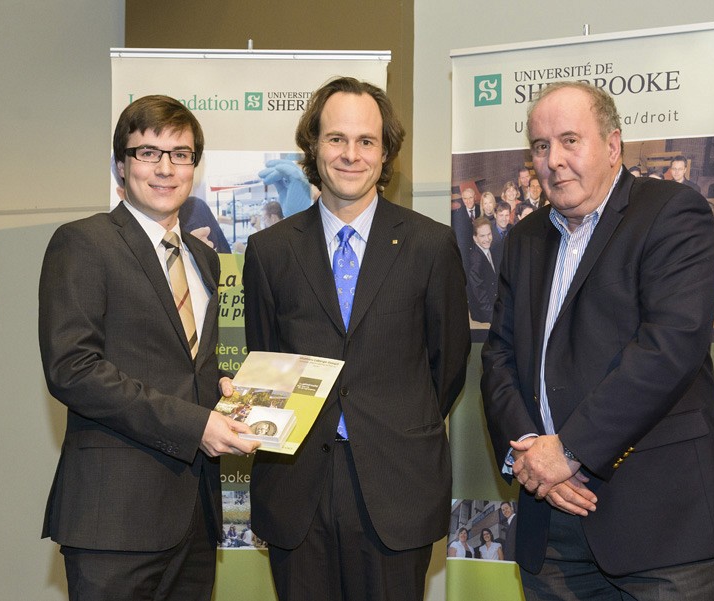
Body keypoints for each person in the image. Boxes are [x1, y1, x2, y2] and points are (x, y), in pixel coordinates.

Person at [481, 81, 714, 600]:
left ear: (612, 145)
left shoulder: (673, 214)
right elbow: (499, 358)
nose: (553, 160)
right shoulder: (525, 239)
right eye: (540, 146)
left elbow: (669, 349)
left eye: (569, 141)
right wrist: (535, 457)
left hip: (662, 527)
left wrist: (571, 449)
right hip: (551, 523)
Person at [240, 76, 471, 601]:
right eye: (335, 139)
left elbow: (447, 367)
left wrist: (388, 421)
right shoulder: (270, 250)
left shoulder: (430, 246)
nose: (351, 154)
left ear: (385, 151)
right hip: (296, 486)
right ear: (313, 147)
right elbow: (266, 357)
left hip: (395, 486)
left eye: (366, 141)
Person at [38, 94, 260, 601]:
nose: (165, 168)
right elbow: (73, 368)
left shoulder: (204, 258)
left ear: (194, 168)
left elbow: (187, 369)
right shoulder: (84, 243)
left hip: (196, 520)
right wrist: (195, 424)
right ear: (121, 166)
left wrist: (227, 395)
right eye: (148, 152)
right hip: (113, 520)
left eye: (180, 154)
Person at [467, 217, 500, 323]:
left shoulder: (490, 250)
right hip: (483, 317)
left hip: (493, 308)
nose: (487, 239)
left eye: (489, 234)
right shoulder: (476, 260)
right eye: (482, 236)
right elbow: (479, 292)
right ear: (475, 238)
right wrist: (494, 317)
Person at [451, 186, 480, 270]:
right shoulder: (457, 215)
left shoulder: (481, 209)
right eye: (465, 198)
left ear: (474, 197)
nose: (468, 201)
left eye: (470, 198)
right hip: (466, 253)